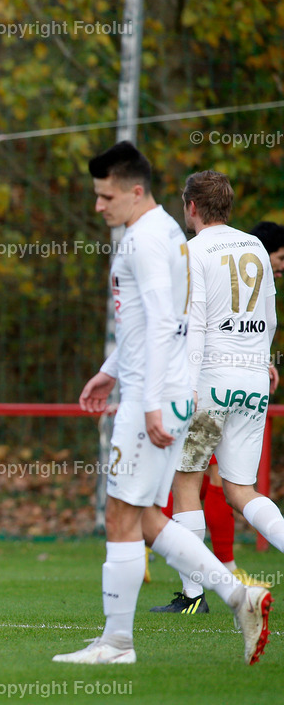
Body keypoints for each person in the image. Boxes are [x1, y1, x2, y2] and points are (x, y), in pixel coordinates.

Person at [53, 144, 271, 665]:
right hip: (170, 388)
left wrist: (148, 403)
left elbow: (161, 323)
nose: (99, 206)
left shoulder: (147, 240)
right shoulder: (168, 234)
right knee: (146, 515)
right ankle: (238, 595)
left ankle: (117, 644)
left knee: (121, 514)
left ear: (135, 190)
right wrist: (109, 373)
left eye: (106, 196)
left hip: (157, 394)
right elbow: (148, 322)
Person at [151, 175, 284, 616]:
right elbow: (268, 317)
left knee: (187, 478)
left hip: (210, 380)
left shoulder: (191, 253)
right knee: (241, 489)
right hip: (252, 380)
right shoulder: (256, 249)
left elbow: (196, 327)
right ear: (227, 206)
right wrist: (264, 364)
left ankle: (193, 597)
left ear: (191, 206)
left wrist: (185, 390)